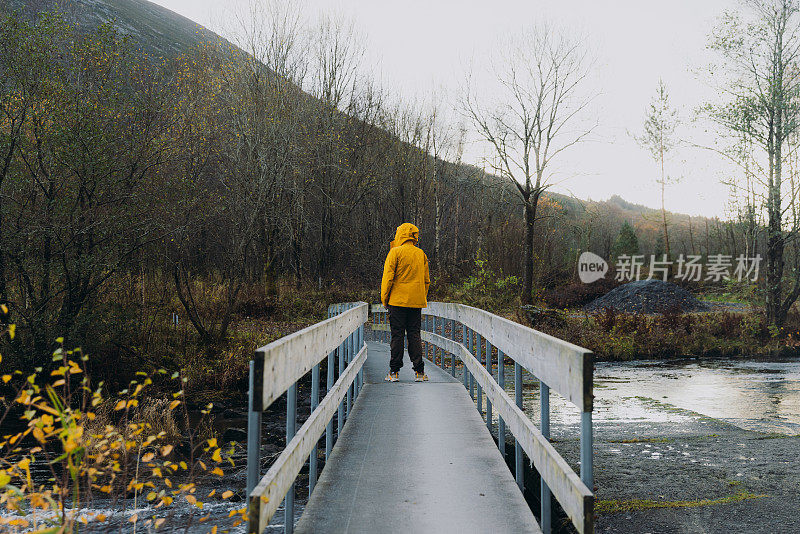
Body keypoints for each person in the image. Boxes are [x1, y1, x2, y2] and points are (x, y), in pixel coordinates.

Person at [380, 223, 430, 382]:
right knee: (414, 335)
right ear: (414, 236)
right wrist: (420, 296)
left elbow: (388, 278)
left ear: (400, 234)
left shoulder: (395, 252)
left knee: (397, 335)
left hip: (397, 302)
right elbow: (426, 281)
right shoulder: (420, 254)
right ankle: (420, 373)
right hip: (415, 302)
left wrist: (385, 299)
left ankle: (394, 372)